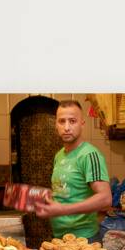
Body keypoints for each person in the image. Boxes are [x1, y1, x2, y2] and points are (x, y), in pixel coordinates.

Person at [34, 100, 112, 239]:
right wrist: (47, 200)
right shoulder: (59, 155)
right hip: (60, 237)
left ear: (82, 124)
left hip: (84, 238)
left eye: (72, 121)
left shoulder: (89, 155)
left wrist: (62, 210)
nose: (67, 127)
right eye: (62, 121)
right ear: (55, 125)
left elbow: (105, 199)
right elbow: (66, 191)